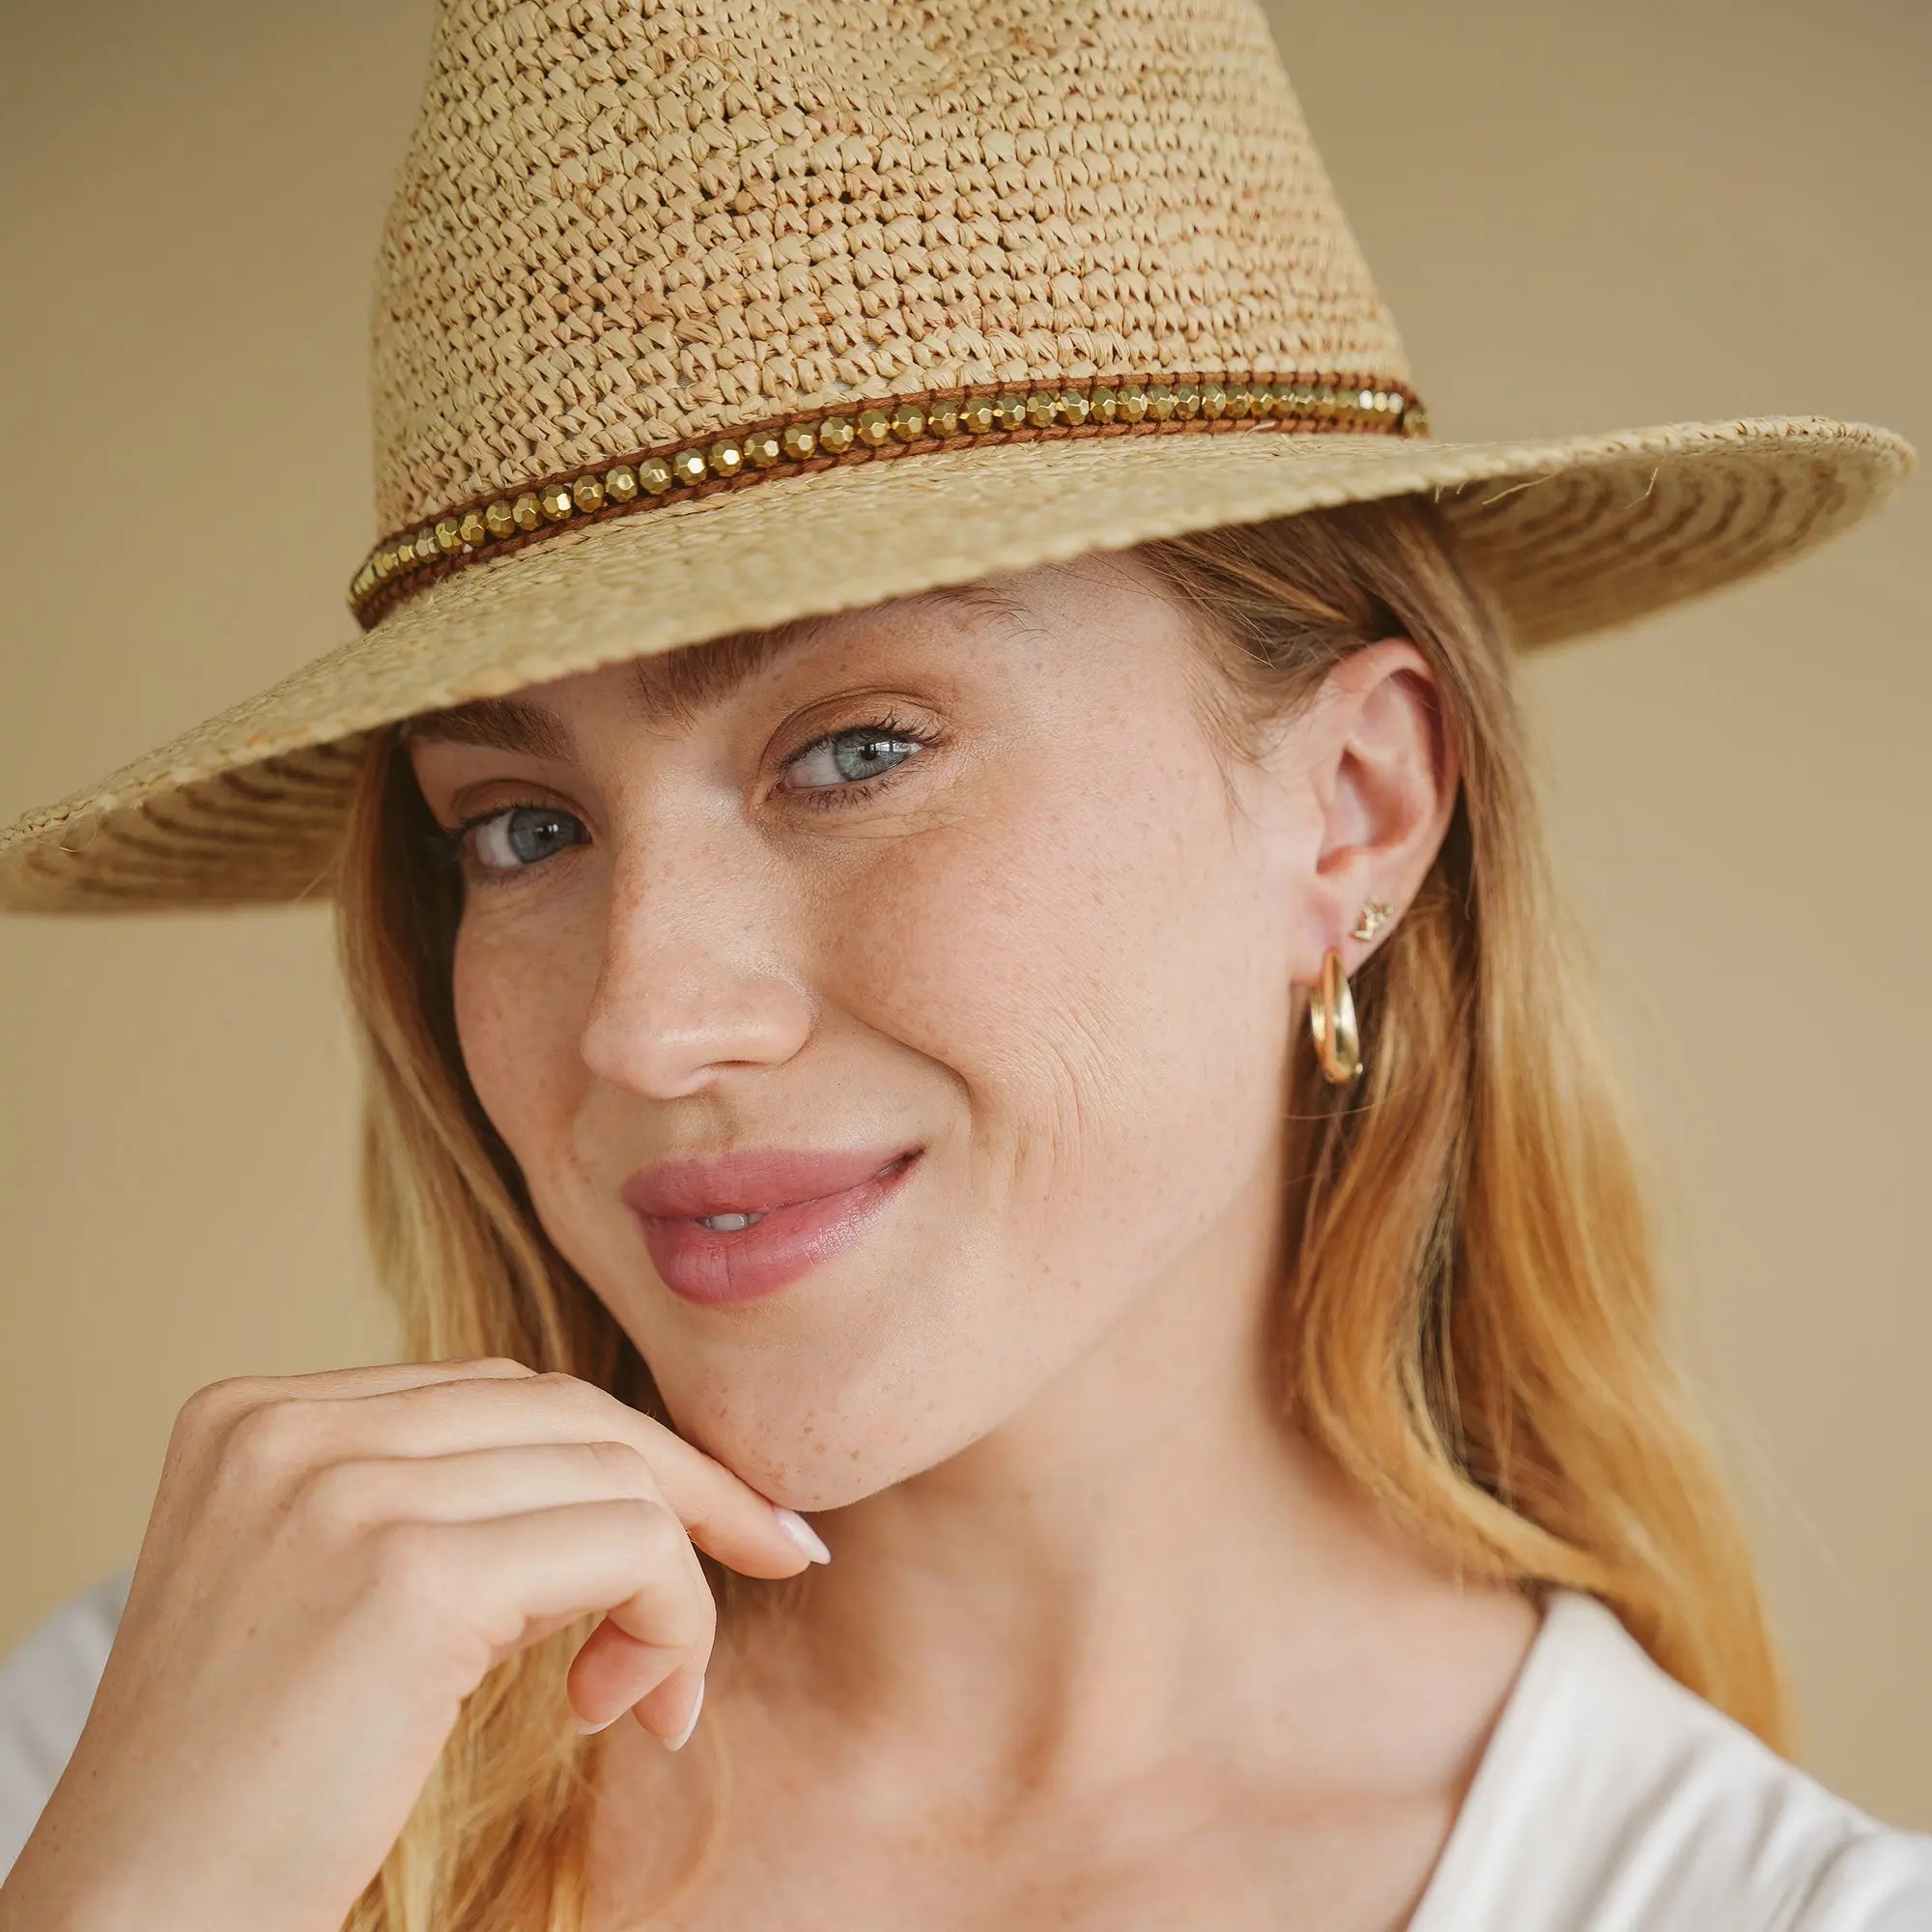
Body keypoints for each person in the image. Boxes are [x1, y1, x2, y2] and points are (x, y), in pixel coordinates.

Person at [0, 3, 1924, 1929]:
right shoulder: (144, 1772)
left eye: (855, 751)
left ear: (1352, 808)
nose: (646, 1022)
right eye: (521, 828)